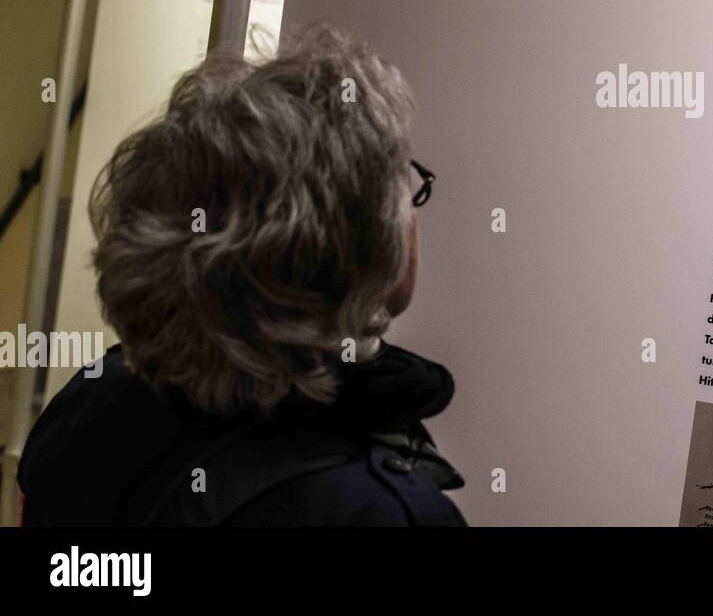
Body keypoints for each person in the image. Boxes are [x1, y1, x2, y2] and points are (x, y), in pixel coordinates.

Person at [17, 26, 466, 526]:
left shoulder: (91, 403)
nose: (413, 214)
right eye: (401, 187)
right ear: (364, 253)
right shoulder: (376, 514)